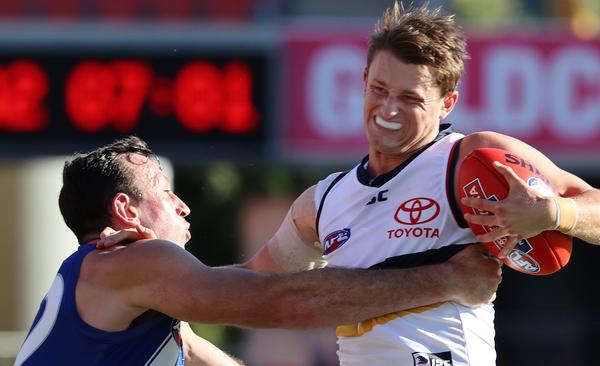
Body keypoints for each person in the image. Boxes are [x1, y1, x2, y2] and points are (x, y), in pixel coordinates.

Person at [238, 3, 600, 366]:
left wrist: (553, 213)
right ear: (363, 80)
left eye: (410, 97)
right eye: (379, 89)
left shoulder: (470, 159)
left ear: (447, 103)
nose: (388, 109)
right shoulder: (324, 201)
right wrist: (177, 296)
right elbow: (250, 286)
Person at [14, 136, 502, 366]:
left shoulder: (134, 298)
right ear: (126, 211)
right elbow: (282, 304)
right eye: (164, 191)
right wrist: (447, 280)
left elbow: (246, 301)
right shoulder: (132, 260)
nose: (183, 206)